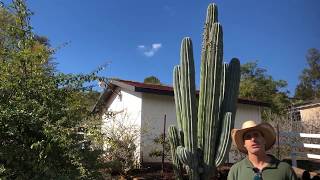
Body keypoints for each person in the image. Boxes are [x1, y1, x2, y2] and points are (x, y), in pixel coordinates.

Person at [227, 120, 297, 180]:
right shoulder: (236, 171)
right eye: (248, 137)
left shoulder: (284, 169)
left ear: (264, 140)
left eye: (256, 135)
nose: (253, 139)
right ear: (244, 144)